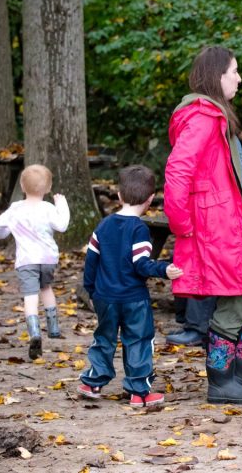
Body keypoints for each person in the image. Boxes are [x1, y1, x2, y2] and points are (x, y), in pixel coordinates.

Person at [164, 46, 242, 405]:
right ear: (217, 74)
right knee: (237, 301)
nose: (239, 77)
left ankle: (241, 373)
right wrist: (183, 225)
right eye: (234, 71)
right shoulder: (201, 116)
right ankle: (220, 382)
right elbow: (177, 171)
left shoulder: (220, 115)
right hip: (227, 227)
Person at [77, 165, 183, 407]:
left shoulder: (103, 225)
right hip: (134, 299)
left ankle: (93, 382)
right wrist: (164, 269)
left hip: (105, 297)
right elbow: (141, 265)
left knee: (104, 337)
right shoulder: (139, 229)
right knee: (138, 340)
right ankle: (139, 392)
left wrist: (91, 290)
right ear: (150, 200)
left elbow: (91, 261)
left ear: (120, 195)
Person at [0, 164, 70, 360]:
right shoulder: (49, 208)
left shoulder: (16, 209)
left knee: (30, 296)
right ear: (48, 188)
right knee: (46, 288)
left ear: (22, 186)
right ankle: (53, 327)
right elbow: (62, 225)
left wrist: (1, 230)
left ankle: (35, 332)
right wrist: (62, 204)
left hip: (27, 260)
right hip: (48, 259)